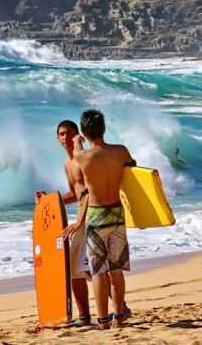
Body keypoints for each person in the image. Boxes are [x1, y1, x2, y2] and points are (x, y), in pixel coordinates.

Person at [62, 108, 134, 330]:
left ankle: (103, 321)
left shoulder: (82, 156)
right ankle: (119, 316)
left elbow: (77, 153)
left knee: (98, 271)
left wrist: (76, 141)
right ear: (104, 129)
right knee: (116, 270)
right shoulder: (121, 151)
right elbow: (132, 172)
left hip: (95, 215)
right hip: (118, 213)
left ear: (83, 131)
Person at [35, 120, 92, 327]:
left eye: (69, 133)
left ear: (78, 135)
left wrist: (80, 222)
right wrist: (48, 200)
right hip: (82, 213)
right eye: (61, 134)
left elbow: (90, 193)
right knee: (77, 269)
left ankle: (120, 308)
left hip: (91, 215)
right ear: (57, 138)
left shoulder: (84, 159)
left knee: (88, 269)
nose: (65, 137)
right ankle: (85, 316)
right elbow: (75, 194)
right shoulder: (67, 164)